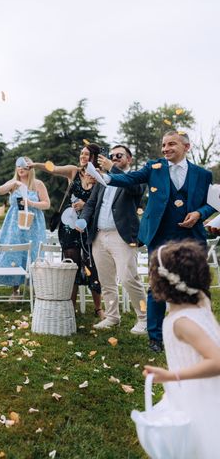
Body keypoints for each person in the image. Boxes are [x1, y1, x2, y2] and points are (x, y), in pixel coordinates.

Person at [102, 131, 215, 353]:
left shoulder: (203, 174)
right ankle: (155, 337)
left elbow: (212, 203)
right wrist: (107, 176)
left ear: (186, 147)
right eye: (163, 145)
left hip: (191, 237)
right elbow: (130, 179)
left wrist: (200, 214)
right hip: (160, 235)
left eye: (171, 144)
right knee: (157, 287)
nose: (165, 149)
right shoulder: (154, 168)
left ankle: (194, 334)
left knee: (194, 286)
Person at [142, 240, 220, 458]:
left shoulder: (182, 322)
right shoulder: (200, 303)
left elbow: (217, 361)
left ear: (163, 282)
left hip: (202, 398)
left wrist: (171, 375)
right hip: (192, 393)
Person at [27, 144, 104, 317]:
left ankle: (99, 308)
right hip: (68, 226)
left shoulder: (100, 177)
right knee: (71, 266)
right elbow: (52, 169)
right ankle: (71, 307)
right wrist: (35, 165)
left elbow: (103, 202)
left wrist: (85, 205)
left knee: (93, 265)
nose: (82, 157)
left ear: (94, 157)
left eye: (86, 154)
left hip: (90, 227)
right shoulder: (73, 171)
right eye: (81, 153)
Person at [80, 145, 147, 332]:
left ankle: (144, 318)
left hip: (122, 236)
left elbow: (136, 189)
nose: (115, 158)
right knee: (106, 280)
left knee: (128, 278)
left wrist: (112, 169)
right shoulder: (102, 180)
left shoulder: (137, 177)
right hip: (99, 235)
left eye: (119, 155)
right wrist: (83, 221)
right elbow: (91, 204)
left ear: (129, 159)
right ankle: (112, 316)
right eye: (112, 156)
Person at [0, 157, 49, 296]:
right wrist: (14, 183)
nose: (21, 169)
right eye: (19, 167)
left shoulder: (38, 184)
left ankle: (38, 291)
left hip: (34, 225)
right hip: (14, 225)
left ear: (30, 168)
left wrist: (31, 203)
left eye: (24, 167)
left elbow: (46, 204)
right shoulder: (13, 184)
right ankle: (15, 290)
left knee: (34, 253)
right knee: (15, 253)